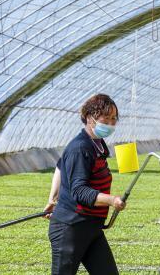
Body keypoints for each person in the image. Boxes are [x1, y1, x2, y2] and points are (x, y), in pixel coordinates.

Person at [44, 94, 126, 275]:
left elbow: (60, 166)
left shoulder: (97, 144)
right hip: (70, 228)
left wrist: (52, 199)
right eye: (107, 118)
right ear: (90, 118)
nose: (111, 123)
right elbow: (80, 191)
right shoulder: (80, 148)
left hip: (91, 227)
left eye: (114, 119)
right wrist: (111, 200)